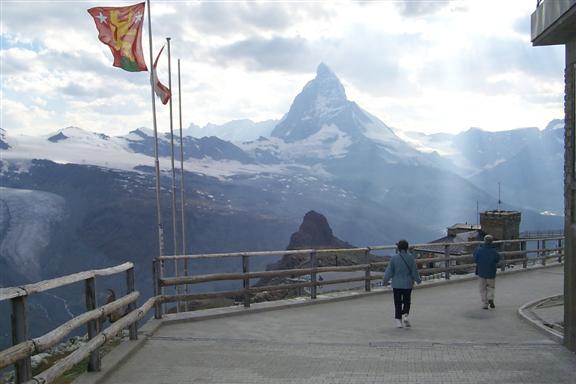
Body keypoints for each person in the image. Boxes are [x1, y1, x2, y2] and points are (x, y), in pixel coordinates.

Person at [383, 240, 422, 328]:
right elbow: (414, 272)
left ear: (398, 248)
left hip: (396, 284)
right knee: (407, 301)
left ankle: (398, 321)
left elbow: (389, 272)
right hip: (408, 284)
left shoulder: (394, 258)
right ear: (407, 247)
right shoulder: (411, 258)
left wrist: (385, 281)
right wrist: (418, 280)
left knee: (397, 302)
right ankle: (406, 315)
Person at [474, 235, 501, 309]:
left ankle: (485, 304)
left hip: (481, 272)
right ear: (491, 241)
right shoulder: (494, 251)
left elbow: (475, 259)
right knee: (491, 287)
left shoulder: (479, 250)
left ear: (484, 241)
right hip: (491, 272)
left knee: (482, 288)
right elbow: (497, 259)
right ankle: (490, 298)